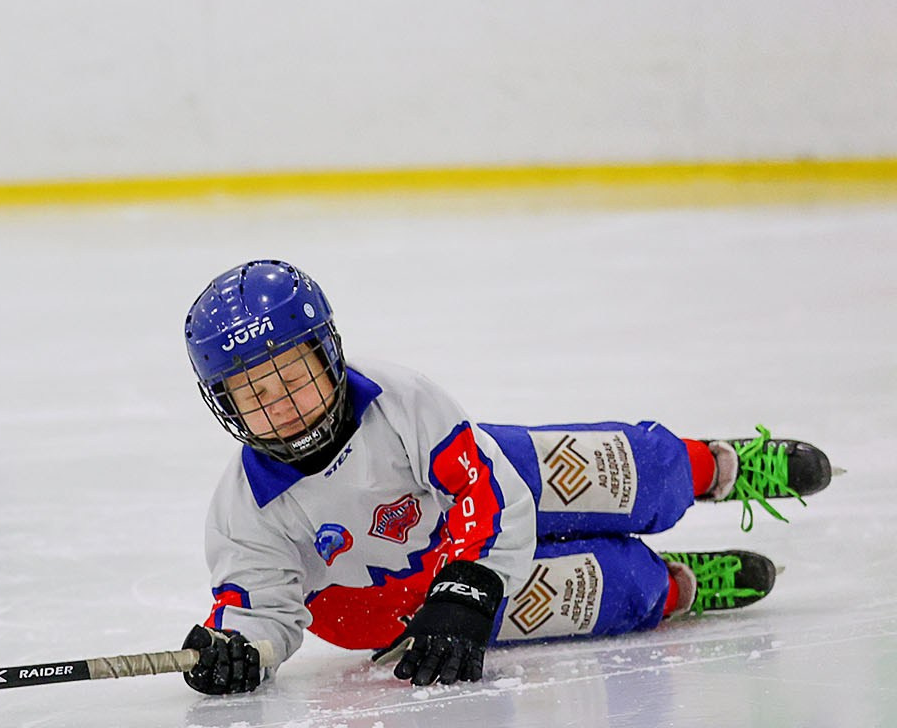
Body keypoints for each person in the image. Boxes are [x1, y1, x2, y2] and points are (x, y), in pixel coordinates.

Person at [176, 260, 834, 694]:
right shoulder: (247, 508)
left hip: (477, 513)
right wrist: (238, 651)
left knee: (628, 469)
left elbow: (484, 490)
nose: (283, 405)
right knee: (612, 589)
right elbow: (258, 607)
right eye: (255, 394)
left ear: (328, 353)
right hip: (398, 601)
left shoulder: (398, 400)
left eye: (293, 377)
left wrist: (470, 582)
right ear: (225, 405)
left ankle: (713, 468)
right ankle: (676, 585)